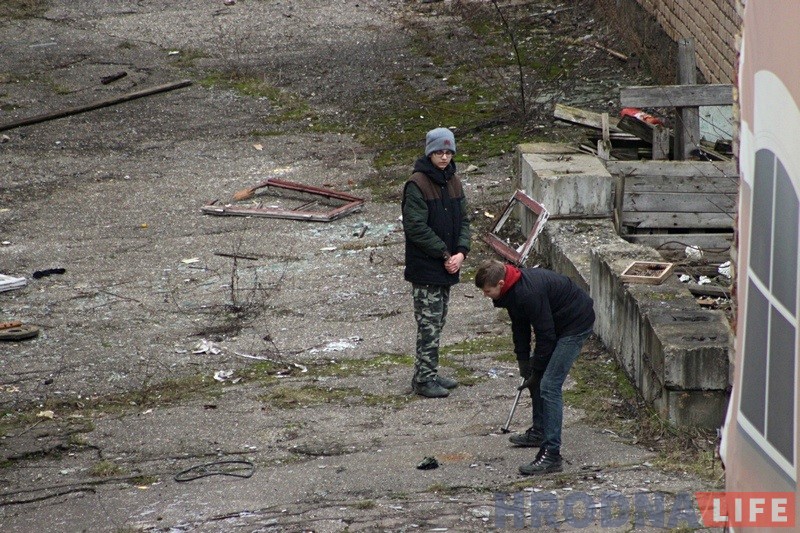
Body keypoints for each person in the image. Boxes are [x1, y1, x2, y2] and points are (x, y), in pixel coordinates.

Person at [474, 259, 595, 475]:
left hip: (575, 323)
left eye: (487, 291)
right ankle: (539, 430)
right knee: (535, 375)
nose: (485, 295)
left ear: (501, 283)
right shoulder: (511, 291)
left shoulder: (527, 293)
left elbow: (545, 335)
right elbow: (519, 326)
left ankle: (551, 454)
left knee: (549, 386)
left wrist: (538, 370)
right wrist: (524, 362)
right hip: (555, 322)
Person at [402, 127, 471, 398]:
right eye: (439, 152)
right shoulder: (417, 184)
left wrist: (461, 253)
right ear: (429, 153)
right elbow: (415, 227)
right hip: (427, 268)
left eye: (448, 152)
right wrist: (445, 254)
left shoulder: (453, 181)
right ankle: (423, 379)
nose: (444, 157)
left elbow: (464, 221)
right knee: (428, 324)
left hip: (448, 265)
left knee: (437, 322)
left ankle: (427, 371)